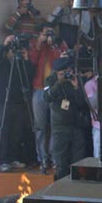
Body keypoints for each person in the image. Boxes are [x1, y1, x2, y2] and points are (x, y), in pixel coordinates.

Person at [0, 35, 35, 172]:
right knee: (3, 131)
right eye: (11, 51)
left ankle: (14, 158)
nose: (13, 53)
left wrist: (26, 59)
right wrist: (5, 44)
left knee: (17, 132)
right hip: (3, 102)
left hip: (18, 102)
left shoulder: (21, 63)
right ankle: (3, 161)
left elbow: (29, 75)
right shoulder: (2, 63)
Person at [29, 23, 69, 174]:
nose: (48, 37)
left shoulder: (60, 44)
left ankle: (54, 157)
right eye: (45, 34)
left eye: (50, 33)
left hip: (54, 89)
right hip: (39, 89)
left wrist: (54, 46)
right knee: (39, 126)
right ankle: (42, 158)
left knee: (54, 124)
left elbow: (61, 63)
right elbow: (31, 62)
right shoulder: (36, 44)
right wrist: (39, 43)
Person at [43, 56, 88, 180]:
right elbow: (47, 97)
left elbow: (81, 103)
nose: (68, 73)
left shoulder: (75, 79)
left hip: (76, 125)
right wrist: (59, 82)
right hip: (59, 127)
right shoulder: (51, 80)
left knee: (78, 162)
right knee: (61, 163)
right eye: (64, 71)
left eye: (68, 70)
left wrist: (76, 87)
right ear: (57, 72)